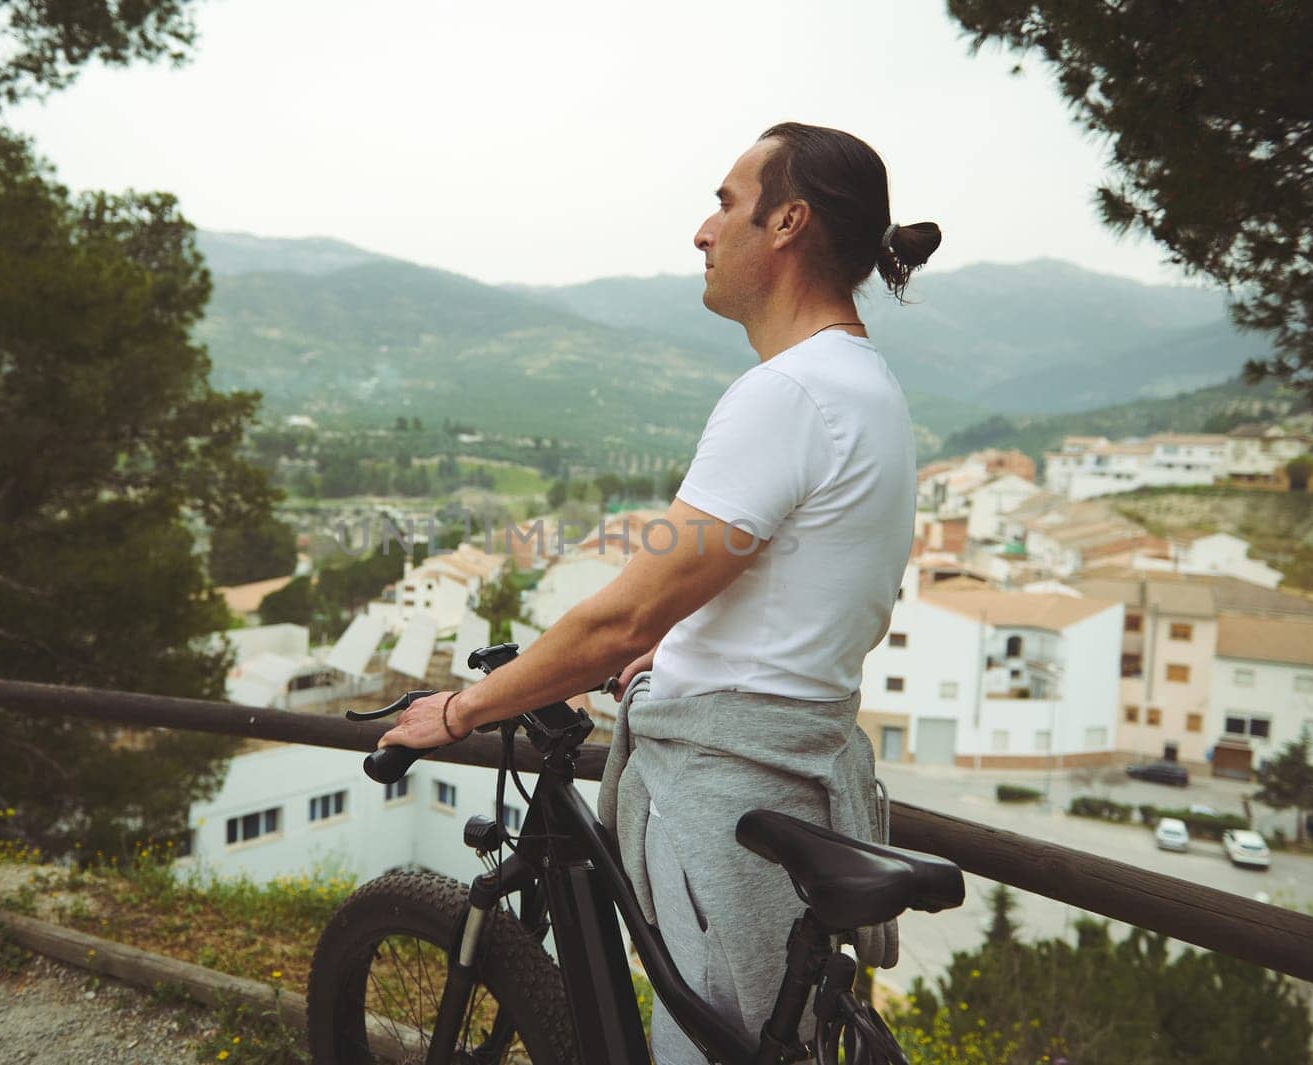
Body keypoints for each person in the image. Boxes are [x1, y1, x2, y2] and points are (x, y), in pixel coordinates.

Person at [380, 121, 940, 1061]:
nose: (702, 231)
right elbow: (785, 597)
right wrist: (676, 652)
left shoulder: (787, 394)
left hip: (729, 798)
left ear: (787, 222)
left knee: (703, 1043)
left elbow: (622, 613)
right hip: (794, 763)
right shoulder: (864, 384)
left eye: (726, 202)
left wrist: (464, 707)